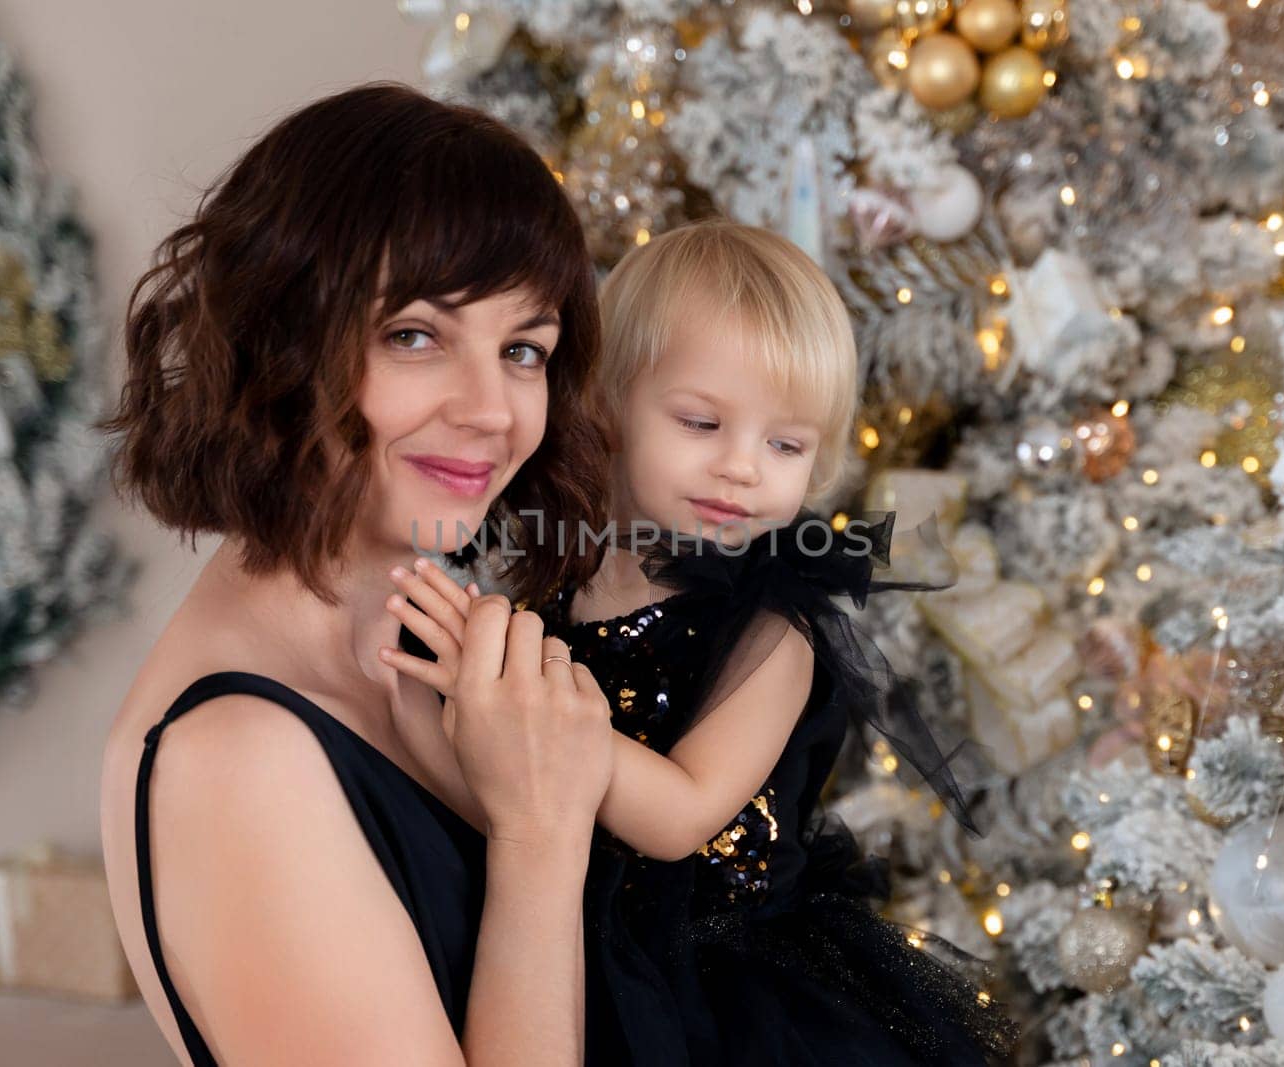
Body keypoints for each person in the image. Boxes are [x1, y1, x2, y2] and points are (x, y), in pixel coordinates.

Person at [382, 220, 1019, 1065]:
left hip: (728, 989)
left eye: (785, 444)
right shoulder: (553, 580)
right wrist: (435, 700)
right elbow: (494, 788)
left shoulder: (770, 627)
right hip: (574, 952)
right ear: (605, 405)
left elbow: (681, 814)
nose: (743, 468)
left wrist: (522, 707)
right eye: (700, 423)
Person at [97, 83, 617, 1066]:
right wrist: (540, 844)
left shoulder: (428, 643)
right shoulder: (235, 755)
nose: (491, 409)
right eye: (414, 334)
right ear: (281, 336)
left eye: (522, 349)